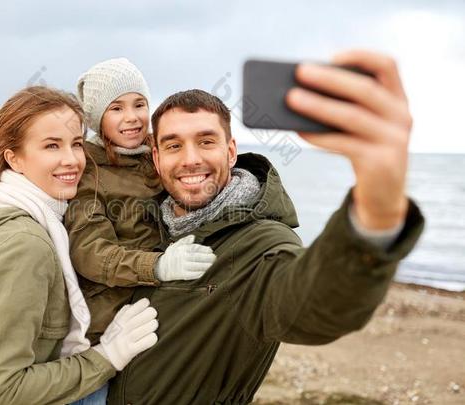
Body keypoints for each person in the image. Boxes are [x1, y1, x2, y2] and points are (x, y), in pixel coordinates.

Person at [107, 50, 425, 404]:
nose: (190, 158)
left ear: (230, 151)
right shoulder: (142, 224)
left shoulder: (260, 244)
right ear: (156, 157)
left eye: (206, 141)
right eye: (173, 145)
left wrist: (377, 213)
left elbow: (314, 307)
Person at [0, 86, 158, 405]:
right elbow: (4, 391)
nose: (71, 160)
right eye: (51, 146)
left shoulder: (4, 213)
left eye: (75, 144)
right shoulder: (24, 247)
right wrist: (107, 356)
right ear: (14, 159)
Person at [65, 58, 216, 346]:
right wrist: (157, 266)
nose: (132, 117)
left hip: (162, 300)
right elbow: (90, 253)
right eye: (117, 108)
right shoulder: (89, 172)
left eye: (139, 104)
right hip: (111, 318)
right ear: (97, 117)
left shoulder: (157, 155)